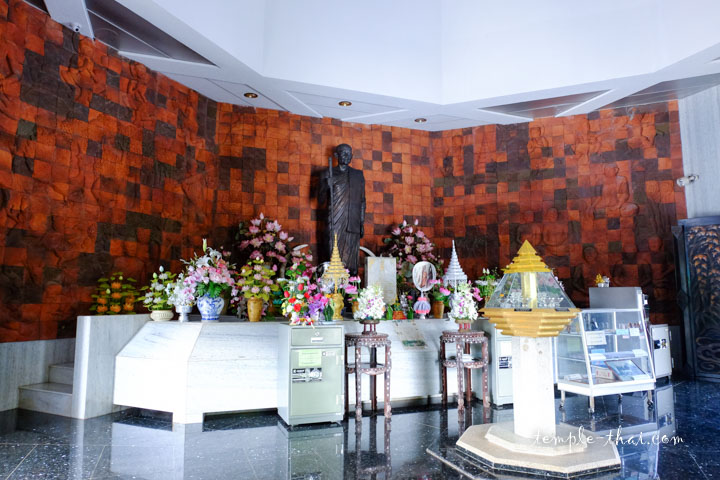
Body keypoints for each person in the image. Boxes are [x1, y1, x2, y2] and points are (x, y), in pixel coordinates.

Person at [318, 144, 366, 275]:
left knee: (351, 255)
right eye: (343, 153)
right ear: (336, 155)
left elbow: (362, 200)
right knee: (333, 251)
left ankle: (351, 283)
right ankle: (332, 283)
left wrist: (361, 222)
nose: (346, 156)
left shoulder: (358, 175)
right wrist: (325, 185)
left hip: (353, 221)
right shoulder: (328, 173)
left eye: (349, 153)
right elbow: (320, 200)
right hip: (335, 219)